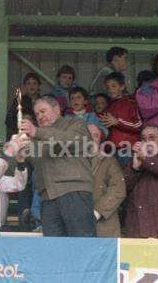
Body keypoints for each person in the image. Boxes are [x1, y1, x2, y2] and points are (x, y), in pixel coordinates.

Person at [19, 95, 96, 237]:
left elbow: (71, 141)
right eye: (36, 114)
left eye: (43, 111)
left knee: (82, 244)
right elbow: (33, 161)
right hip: (48, 198)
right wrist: (18, 151)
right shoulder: (36, 137)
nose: (39, 116)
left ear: (57, 109)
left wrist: (37, 132)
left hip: (74, 191)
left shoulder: (75, 123)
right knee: (54, 249)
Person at [87, 124, 126, 238]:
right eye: (87, 134)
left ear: (101, 141)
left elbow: (118, 190)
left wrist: (96, 213)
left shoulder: (109, 161)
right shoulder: (71, 161)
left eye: (95, 135)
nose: (90, 138)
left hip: (103, 225)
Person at [100, 72, 142, 166]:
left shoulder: (130, 103)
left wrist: (118, 122)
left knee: (126, 177)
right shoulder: (108, 107)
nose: (110, 89)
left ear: (122, 87)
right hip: (111, 150)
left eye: (114, 86)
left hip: (126, 148)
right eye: (108, 87)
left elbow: (138, 126)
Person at [5, 72, 41, 140]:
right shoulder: (19, 101)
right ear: (24, 86)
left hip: (38, 135)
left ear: (39, 86)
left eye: (34, 83)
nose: (32, 86)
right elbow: (9, 120)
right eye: (28, 83)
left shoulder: (43, 101)